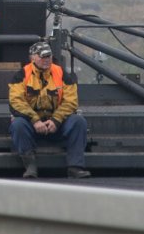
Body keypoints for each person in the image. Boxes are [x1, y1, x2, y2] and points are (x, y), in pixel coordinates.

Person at [8, 39, 89, 179]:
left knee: (78, 121)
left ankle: (75, 167)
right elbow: (16, 101)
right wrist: (35, 120)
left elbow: (71, 101)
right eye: (42, 56)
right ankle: (30, 166)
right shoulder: (21, 75)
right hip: (32, 125)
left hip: (56, 124)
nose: (46, 60)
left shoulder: (62, 73)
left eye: (49, 56)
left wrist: (56, 120)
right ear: (33, 58)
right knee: (18, 125)